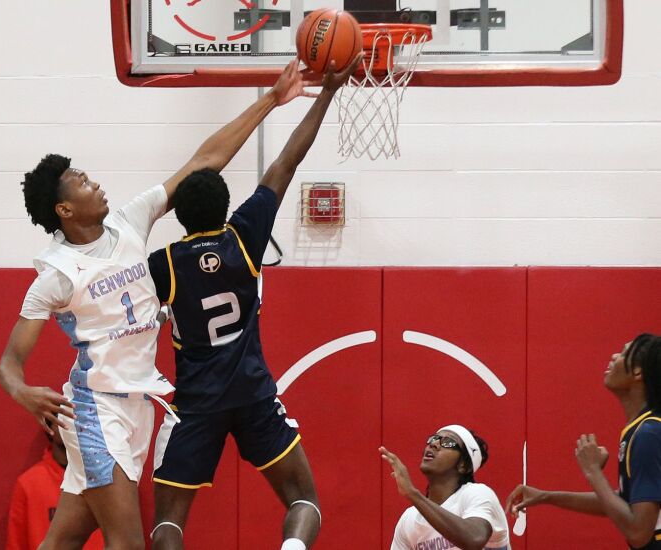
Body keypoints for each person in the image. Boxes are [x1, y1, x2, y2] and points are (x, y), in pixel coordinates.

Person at [0, 60, 320, 550]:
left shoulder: (130, 222)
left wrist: (272, 99)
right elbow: (9, 360)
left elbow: (204, 160)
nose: (95, 183)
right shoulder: (56, 274)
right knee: (128, 543)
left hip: (137, 407)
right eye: (82, 182)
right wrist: (21, 391)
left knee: (65, 538)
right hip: (96, 409)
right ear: (65, 209)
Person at [145, 55, 362, 550]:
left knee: (168, 523)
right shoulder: (244, 235)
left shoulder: (164, 264)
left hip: (195, 403)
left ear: (178, 214)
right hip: (253, 394)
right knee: (303, 500)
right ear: (225, 205)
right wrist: (328, 92)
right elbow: (287, 161)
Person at [505, 333, 661, 549]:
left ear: (638, 372)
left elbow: (638, 533)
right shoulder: (642, 429)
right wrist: (546, 496)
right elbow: (627, 503)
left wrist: (593, 471)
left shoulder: (649, 433)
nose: (614, 356)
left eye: (623, 353)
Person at [381, 426, 510, 550]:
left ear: (463, 465)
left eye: (448, 442)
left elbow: (474, 539)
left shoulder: (477, 493)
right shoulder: (409, 518)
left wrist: (412, 494)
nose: (434, 444)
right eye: (433, 439)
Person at [7, 427, 104, 550]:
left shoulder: (108, 478)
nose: (71, 423)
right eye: (63, 417)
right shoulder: (29, 483)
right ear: (49, 424)